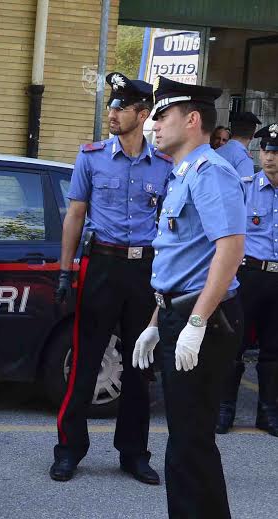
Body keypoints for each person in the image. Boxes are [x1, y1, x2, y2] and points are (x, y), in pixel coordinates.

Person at [51, 72, 172, 484]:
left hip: (145, 270)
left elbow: (171, 226)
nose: (112, 113)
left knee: (141, 365)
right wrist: (65, 271)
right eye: (111, 106)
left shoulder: (166, 166)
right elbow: (75, 215)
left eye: (121, 107)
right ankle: (68, 449)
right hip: (101, 266)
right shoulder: (91, 156)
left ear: (143, 114)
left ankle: (135, 453)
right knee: (86, 361)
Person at [132, 76, 246, 518]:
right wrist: (155, 323)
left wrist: (196, 323)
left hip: (205, 322)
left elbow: (230, 250)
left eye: (162, 116)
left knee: (190, 443)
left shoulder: (210, 172)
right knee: (186, 439)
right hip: (180, 316)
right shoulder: (183, 174)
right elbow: (183, 263)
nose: (153, 125)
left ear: (192, 119)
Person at [217, 123, 278, 437]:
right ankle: (224, 408)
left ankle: (268, 412)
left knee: (273, 348)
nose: (270, 158)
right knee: (234, 343)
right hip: (249, 274)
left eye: (276, 152)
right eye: (267, 150)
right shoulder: (245, 187)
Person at [216, 112, 261, 177]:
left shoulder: (215, 152)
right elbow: (246, 186)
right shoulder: (244, 159)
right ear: (252, 135)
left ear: (231, 132)